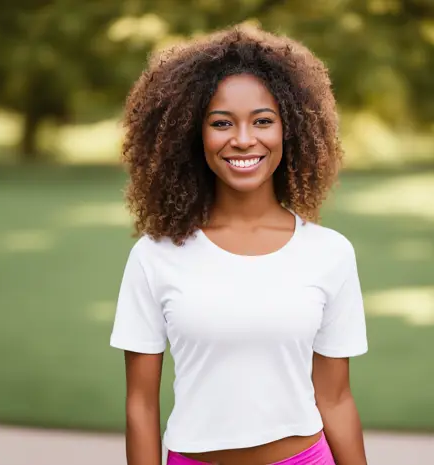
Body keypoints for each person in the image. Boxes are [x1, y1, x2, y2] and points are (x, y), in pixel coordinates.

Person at [109, 25, 369, 465]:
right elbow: (141, 406)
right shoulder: (155, 256)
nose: (244, 139)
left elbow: (337, 399)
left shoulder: (330, 254)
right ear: (194, 135)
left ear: (291, 130)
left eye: (263, 121)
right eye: (222, 123)